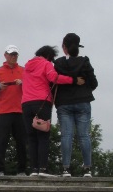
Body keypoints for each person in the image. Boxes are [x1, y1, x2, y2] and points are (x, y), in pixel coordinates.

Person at [22, 45, 83, 177]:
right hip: (41, 102)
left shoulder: (26, 67)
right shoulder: (46, 64)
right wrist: (72, 80)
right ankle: (43, 169)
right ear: (49, 56)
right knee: (43, 136)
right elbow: (54, 78)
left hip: (26, 103)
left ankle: (34, 169)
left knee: (31, 138)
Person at [54, 32, 98, 177]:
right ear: (78, 47)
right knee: (84, 135)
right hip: (83, 101)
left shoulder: (58, 63)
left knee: (66, 135)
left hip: (64, 103)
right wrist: (84, 88)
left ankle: (66, 168)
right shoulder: (85, 62)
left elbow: (54, 81)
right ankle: (87, 169)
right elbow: (94, 83)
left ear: (64, 47)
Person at [0, 45, 27, 176]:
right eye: (11, 54)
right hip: (4, 111)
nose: (13, 57)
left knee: (21, 142)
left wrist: (23, 83)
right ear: (5, 55)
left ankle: (22, 170)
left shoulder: (24, 71)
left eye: (15, 54)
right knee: (1, 142)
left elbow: (33, 86)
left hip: (20, 111)